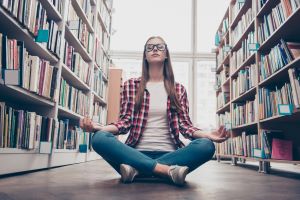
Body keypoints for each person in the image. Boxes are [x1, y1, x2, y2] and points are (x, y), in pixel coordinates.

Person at [80, 36, 229, 186]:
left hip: (171, 154)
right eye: (150, 47)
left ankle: (137, 170)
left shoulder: (178, 89)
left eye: (160, 47)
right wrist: (98, 128)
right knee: (99, 138)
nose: (155, 49)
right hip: (135, 153)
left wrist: (207, 134)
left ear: (166, 54)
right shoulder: (131, 85)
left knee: (206, 146)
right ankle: (167, 171)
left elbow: (186, 127)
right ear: (145, 55)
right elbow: (124, 123)